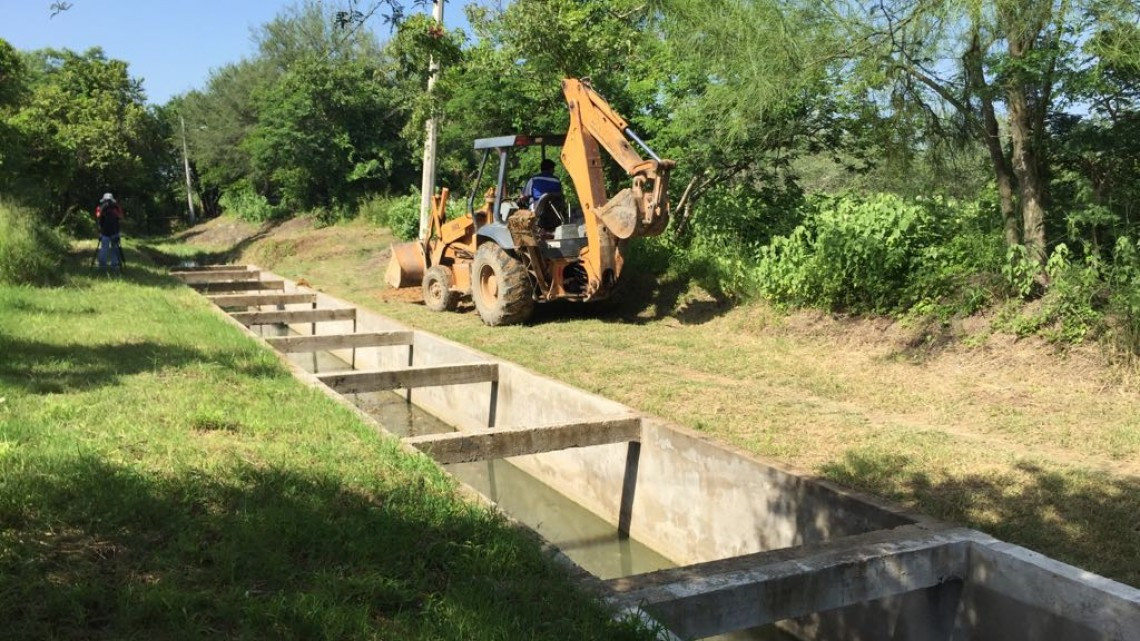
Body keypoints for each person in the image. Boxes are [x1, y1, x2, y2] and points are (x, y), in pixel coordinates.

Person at [95, 193, 123, 273]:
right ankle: (115, 266)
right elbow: (121, 217)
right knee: (115, 248)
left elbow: (98, 216)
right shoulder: (116, 207)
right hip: (115, 231)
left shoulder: (100, 207)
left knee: (104, 248)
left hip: (104, 231)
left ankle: (102, 266)